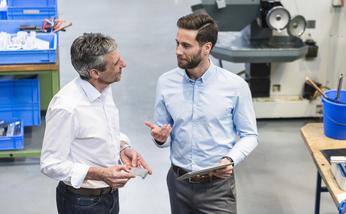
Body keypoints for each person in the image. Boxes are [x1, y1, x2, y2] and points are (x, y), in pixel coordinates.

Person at [145, 13, 259, 214]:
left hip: (217, 189)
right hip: (178, 183)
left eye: (186, 46)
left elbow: (250, 135)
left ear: (207, 48)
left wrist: (230, 159)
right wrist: (160, 138)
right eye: (177, 43)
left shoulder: (235, 87)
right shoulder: (166, 82)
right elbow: (162, 133)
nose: (178, 51)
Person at [40, 33, 152, 214]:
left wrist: (122, 147)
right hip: (82, 202)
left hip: (109, 195)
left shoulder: (103, 88)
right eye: (116, 63)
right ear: (95, 73)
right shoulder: (67, 107)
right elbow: (50, 164)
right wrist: (100, 174)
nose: (123, 64)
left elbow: (102, 130)